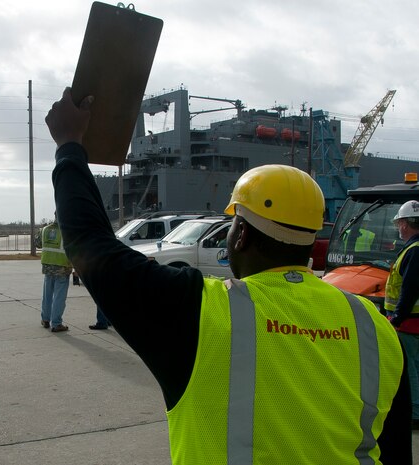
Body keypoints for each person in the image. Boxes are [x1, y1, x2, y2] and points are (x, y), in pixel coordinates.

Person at [45, 87, 411, 464]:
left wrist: (70, 145)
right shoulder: (375, 328)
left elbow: (93, 246)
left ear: (243, 234)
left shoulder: (201, 311)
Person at [386, 200, 419, 428]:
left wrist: (396, 318)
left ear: (406, 224)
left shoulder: (414, 250)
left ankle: (415, 413)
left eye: (399, 223)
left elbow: (409, 289)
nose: (399, 228)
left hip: (408, 323)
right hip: (413, 321)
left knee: (410, 371)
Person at [40, 214, 72, 332]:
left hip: (48, 266)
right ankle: (57, 323)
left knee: (47, 294)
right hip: (62, 267)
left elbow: (38, 243)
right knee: (59, 296)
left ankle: (45, 319)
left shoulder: (44, 229)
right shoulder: (67, 231)